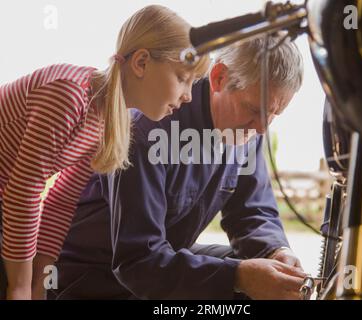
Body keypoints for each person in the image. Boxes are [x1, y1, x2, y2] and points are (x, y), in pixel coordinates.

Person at [49, 36, 306, 300]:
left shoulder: (248, 129)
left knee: (272, 281)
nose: (262, 128)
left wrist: (275, 251)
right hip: (98, 278)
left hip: (164, 262)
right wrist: (238, 276)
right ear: (219, 77)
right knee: (240, 281)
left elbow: (252, 210)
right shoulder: (149, 126)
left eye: (275, 114)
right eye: (253, 109)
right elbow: (137, 261)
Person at [0, 5, 209, 300]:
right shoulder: (69, 95)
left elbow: (61, 201)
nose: (188, 95)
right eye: (182, 78)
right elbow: (24, 190)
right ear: (141, 63)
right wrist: (19, 287)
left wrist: (38, 286)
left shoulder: (109, 123)